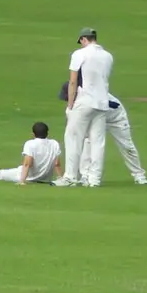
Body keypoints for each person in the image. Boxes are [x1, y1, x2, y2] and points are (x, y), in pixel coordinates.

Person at [59, 27, 116, 187]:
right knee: (97, 142)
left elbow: (73, 81)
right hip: (102, 102)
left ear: (84, 39)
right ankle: (94, 179)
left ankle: (70, 177)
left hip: (84, 101)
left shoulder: (79, 54)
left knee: (73, 138)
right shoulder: (108, 56)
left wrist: (70, 105)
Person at [0, 121, 64, 184]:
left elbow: (27, 163)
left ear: (33, 134)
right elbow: (57, 164)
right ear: (47, 133)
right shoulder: (54, 143)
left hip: (29, 176)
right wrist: (60, 178)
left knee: (1, 174)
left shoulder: (30, 144)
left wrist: (22, 181)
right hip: (45, 178)